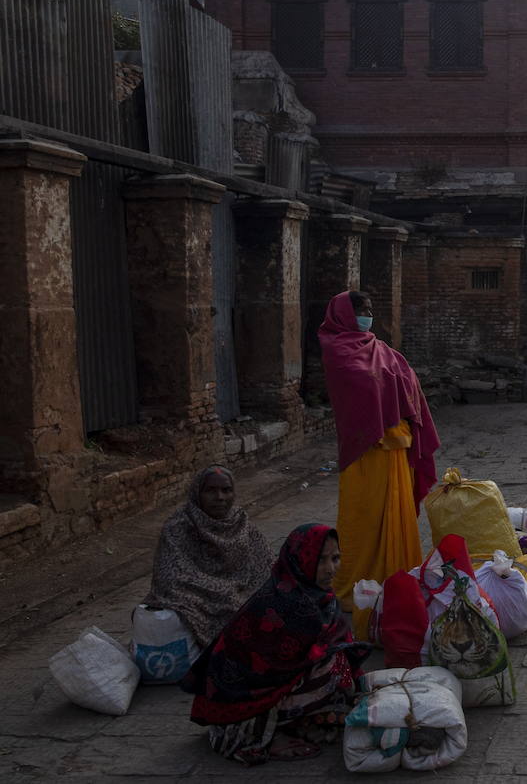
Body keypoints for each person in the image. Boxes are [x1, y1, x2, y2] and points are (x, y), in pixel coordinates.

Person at [184, 523, 368, 765]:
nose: (330, 569)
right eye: (320, 560)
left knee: (338, 664)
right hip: (240, 705)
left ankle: (298, 718)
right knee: (334, 668)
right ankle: (271, 732)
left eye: (335, 559)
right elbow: (264, 673)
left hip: (273, 686)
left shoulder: (317, 597)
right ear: (298, 560)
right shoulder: (285, 604)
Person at [318, 290, 440, 635]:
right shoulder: (337, 349)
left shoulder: (381, 349)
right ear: (344, 314)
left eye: (371, 308)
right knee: (363, 517)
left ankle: (397, 581)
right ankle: (353, 586)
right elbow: (361, 389)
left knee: (396, 514)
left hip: (396, 448)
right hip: (365, 452)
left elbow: (406, 381)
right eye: (362, 310)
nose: (368, 315)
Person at [142, 465, 272, 651]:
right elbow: (169, 578)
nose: (220, 497)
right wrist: (220, 591)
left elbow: (266, 566)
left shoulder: (241, 524)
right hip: (194, 598)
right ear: (197, 493)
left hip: (241, 592)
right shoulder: (178, 527)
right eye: (210, 490)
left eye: (226, 490)